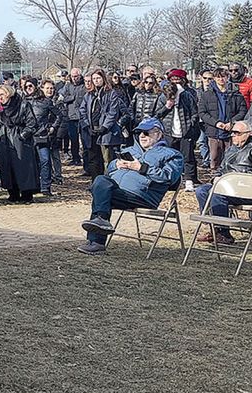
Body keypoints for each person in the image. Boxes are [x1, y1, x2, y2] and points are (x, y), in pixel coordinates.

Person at [77, 117, 184, 254]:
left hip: (143, 196)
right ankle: (100, 227)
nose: (141, 136)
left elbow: (169, 177)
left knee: (101, 190)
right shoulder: (130, 150)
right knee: (101, 185)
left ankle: (97, 240)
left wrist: (142, 168)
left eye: (146, 133)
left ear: (159, 134)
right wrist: (115, 165)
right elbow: (109, 170)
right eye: (139, 133)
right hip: (119, 192)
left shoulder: (172, 155)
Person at [192, 120, 252, 245]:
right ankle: (216, 229)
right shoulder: (232, 149)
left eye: (237, 133)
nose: (233, 135)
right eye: (232, 133)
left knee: (217, 194)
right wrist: (216, 178)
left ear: (250, 133)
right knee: (202, 190)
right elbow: (221, 169)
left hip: (248, 191)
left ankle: (223, 233)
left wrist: (234, 181)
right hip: (229, 188)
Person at [0, 83, 39, 203]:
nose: (0, 98)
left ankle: (27, 194)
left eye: (1, 94)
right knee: (7, 167)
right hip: (5, 139)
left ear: (8, 93)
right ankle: (13, 193)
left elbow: (32, 123)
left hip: (20, 140)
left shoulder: (22, 104)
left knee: (23, 167)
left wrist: (22, 136)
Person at [154, 68, 200, 191]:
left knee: (188, 157)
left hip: (185, 131)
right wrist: (167, 106)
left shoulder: (187, 95)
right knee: (170, 157)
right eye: (173, 80)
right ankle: (173, 181)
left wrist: (190, 125)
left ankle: (189, 181)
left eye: (178, 80)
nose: (176, 83)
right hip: (169, 131)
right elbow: (157, 114)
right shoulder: (163, 96)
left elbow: (195, 113)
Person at [197, 67, 247, 173]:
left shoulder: (236, 93)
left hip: (231, 131)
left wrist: (232, 123)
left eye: (223, 77)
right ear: (214, 78)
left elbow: (242, 111)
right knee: (214, 159)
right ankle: (215, 178)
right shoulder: (207, 94)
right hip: (214, 131)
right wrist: (216, 123)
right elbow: (202, 112)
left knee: (232, 158)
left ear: (227, 77)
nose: (221, 79)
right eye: (218, 77)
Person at [79, 69, 126, 178]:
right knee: (93, 160)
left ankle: (109, 183)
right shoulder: (89, 95)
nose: (96, 81)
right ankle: (95, 182)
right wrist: (86, 125)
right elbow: (82, 111)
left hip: (106, 131)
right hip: (91, 130)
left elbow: (113, 112)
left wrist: (104, 127)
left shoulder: (111, 93)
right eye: (94, 78)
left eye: (98, 78)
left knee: (107, 160)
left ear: (103, 78)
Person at [25, 77, 63, 196]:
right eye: (26, 87)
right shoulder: (23, 101)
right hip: (28, 136)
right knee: (31, 162)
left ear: (36, 87)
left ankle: (45, 186)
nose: (28, 89)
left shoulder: (45, 101)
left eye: (30, 86)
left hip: (42, 136)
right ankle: (33, 185)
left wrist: (52, 128)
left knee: (45, 160)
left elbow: (59, 115)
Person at [58, 67, 87, 165]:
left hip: (83, 117)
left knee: (85, 140)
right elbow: (61, 97)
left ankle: (86, 161)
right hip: (71, 117)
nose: (74, 78)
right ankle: (76, 158)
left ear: (80, 76)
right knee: (73, 140)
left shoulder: (84, 86)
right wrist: (71, 98)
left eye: (76, 76)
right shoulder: (67, 86)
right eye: (72, 76)